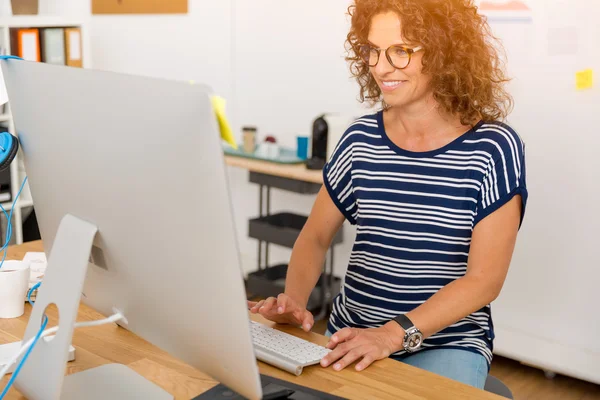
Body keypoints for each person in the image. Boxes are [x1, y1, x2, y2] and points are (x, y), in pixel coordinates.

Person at [248, 0, 527, 390]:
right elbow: (314, 236)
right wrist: (293, 302)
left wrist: (392, 334)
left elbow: (484, 280)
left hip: (445, 343)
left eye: (401, 50)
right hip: (352, 334)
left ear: (445, 52)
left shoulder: (492, 147)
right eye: (373, 50)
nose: (380, 67)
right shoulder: (359, 140)